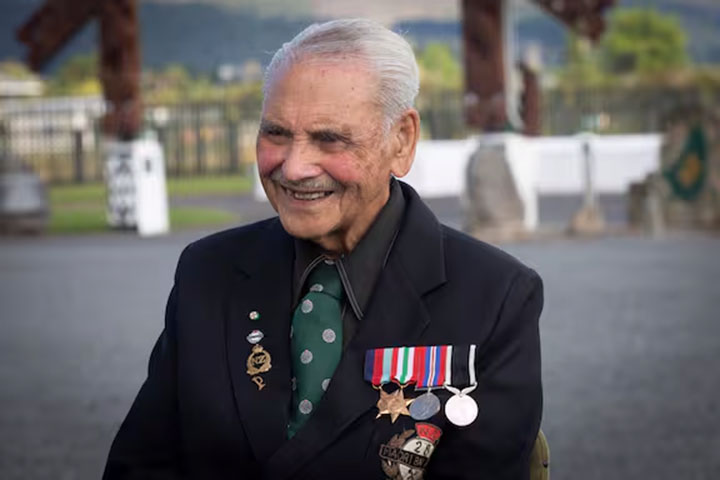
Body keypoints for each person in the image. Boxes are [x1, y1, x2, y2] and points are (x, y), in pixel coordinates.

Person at [104, 18, 543, 480]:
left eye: (328, 139)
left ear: (401, 140)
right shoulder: (208, 272)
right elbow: (142, 464)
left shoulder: (494, 296)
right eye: (276, 133)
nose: (294, 167)